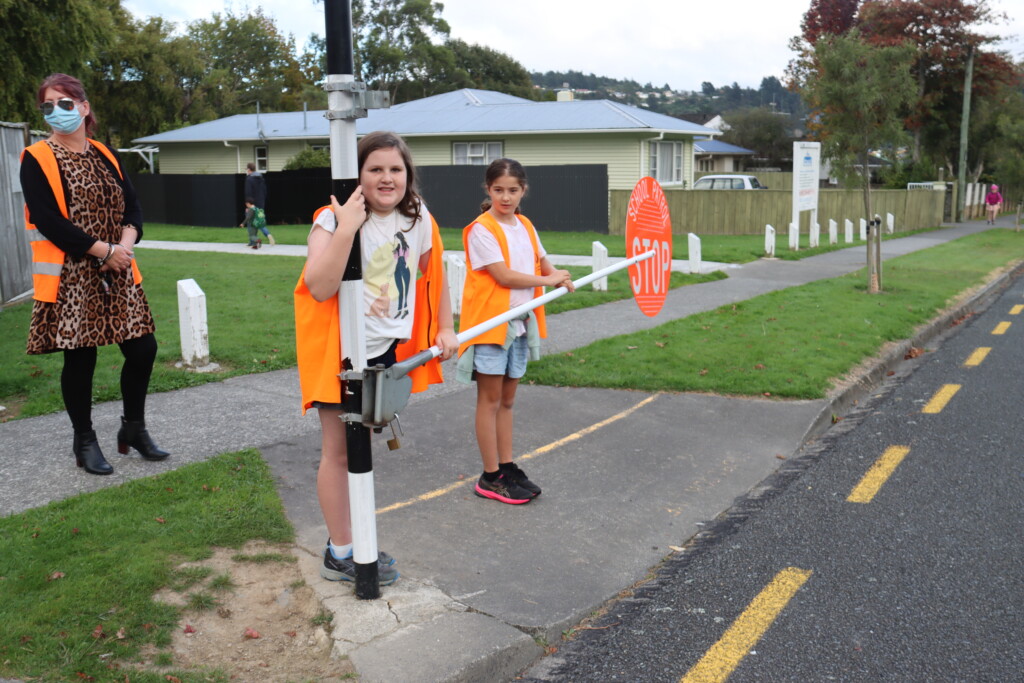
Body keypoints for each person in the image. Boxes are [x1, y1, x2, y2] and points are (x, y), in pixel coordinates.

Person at [294, 131, 458, 585]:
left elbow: (434, 275)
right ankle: (341, 551)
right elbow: (320, 286)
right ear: (357, 175)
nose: (387, 178)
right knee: (339, 453)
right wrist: (347, 226)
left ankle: (356, 540)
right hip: (341, 354)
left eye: (396, 169)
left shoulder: (418, 216)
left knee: (361, 449)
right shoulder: (330, 219)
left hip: (384, 351)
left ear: (408, 175)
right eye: (375, 169)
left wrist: (444, 326)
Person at [19, 73, 169, 476]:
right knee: (81, 358)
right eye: (48, 106)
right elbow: (47, 219)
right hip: (73, 273)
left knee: (143, 349)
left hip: (119, 267)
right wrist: (101, 250)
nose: (56, 112)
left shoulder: (106, 152)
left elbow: (132, 209)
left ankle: (133, 429)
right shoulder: (37, 157)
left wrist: (124, 245)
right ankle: (84, 440)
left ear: (84, 108)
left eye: (65, 103)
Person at [457, 158, 574, 505]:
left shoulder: (525, 224)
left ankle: (506, 467)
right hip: (493, 326)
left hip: (520, 325)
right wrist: (547, 279)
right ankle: (490, 476)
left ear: (523, 190)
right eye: (498, 190)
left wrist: (559, 275)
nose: (505, 197)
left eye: (512, 190)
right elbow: (504, 276)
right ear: (488, 189)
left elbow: (544, 262)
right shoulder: (481, 229)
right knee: (489, 400)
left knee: (507, 402)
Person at [244, 162, 275, 244]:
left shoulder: (249, 179)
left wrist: (248, 206)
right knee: (259, 221)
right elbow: (265, 191)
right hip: (261, 203)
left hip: (252, 204)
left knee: (250, 223)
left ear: (249, 169)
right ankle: (267, 234)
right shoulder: (261, 178)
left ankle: (253, 241)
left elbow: (248, 193)